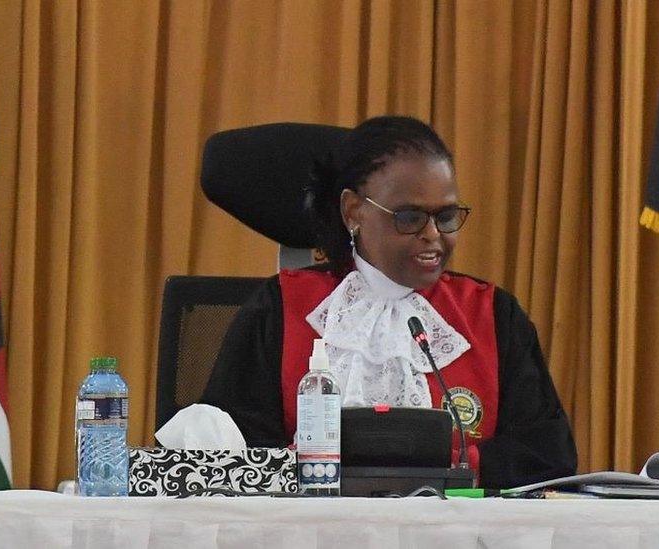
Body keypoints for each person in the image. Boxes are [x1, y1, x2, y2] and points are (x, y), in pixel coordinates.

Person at [201, 116, 576, 489]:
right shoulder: (279, 309)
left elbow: (546, 456)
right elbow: (228, 452)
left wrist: (452, 469)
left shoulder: (493, 315)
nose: (433, 236)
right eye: (409, 217)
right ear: (353, 212)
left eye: (445, 216)